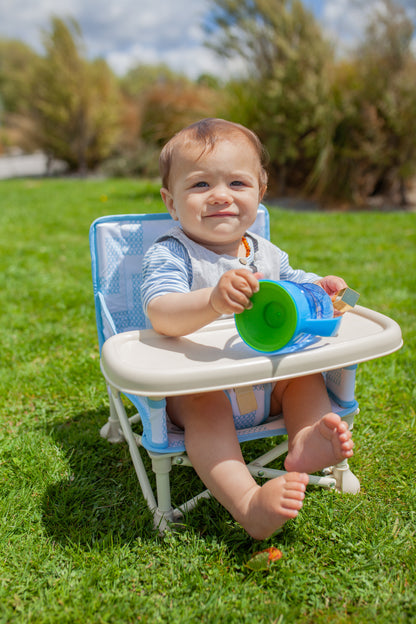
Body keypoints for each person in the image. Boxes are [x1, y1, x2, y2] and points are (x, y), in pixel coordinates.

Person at [141, 118, 354, 540]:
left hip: (266, 379)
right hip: (201, 385)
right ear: (171, 202)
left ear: (260, 192)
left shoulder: (266, 252)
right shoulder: (171, 253)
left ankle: (307, 440)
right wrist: (212, 300)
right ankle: (247, 504)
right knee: (205, 409)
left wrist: (319, 288)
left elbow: (294, 282)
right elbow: (160, 312)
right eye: (200, 185)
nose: (220, 196)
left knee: (303, 379)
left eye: (237, 183)